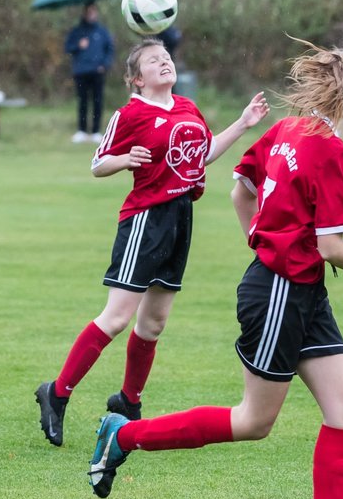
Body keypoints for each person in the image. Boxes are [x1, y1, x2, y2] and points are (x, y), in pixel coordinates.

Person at [87, 41, 343, 499]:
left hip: (296, 288)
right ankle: (125, 435)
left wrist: (261, 239)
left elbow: (239, 190)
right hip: (281, 290)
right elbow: (331, 246)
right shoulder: (335, 152)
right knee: (253, 421)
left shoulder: (287, 130)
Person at [36, 38, 269, 448]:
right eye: (153, 61)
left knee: (154, 323)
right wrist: (126, 159)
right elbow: (98, 163)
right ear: (137, 79)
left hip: (181, 219)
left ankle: (128, 402)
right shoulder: (131, 113)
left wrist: (244, 122)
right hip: (145, 221)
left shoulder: (188, 108)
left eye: (166, 57)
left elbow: (203, 153)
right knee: (117, 317)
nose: (164, 63)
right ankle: (56, 394)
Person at [64, 1, 115, 143]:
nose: (91, 14)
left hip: (97, 72)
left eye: (93, 11)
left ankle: (95, 131)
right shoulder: (77, 31)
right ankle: (81, 130)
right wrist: (78, 45)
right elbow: (68, 48)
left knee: (98, 101)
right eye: (88, 12)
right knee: (83, 101)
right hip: (81, 72)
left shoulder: (102, 31)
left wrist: (104, 65)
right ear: (84, 13)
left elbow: (110, 49)